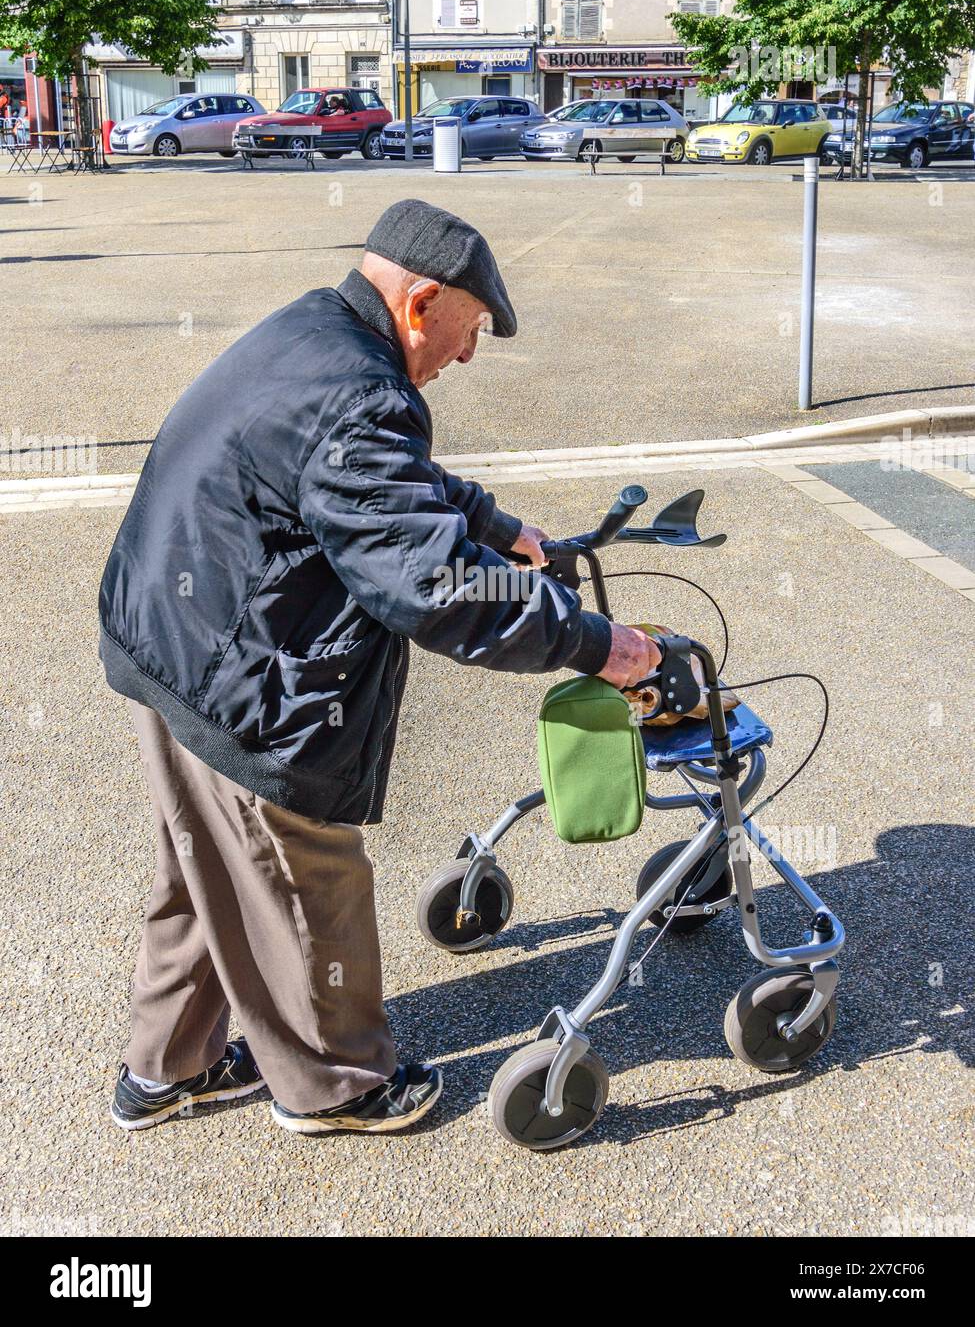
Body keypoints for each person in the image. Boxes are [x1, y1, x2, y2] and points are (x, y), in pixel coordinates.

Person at [99, 199, 659, 1136]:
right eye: (469, 330)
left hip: (171, 642)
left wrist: (493, 526)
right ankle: (337, 1086)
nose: (467, 355)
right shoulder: (365, 395)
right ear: (422, 301)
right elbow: (433, 588)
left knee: (211, 868)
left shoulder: (314, 332)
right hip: (243, 681)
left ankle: (169, 1068)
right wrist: (599, 644)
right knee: (304, 878)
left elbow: (372, 479)